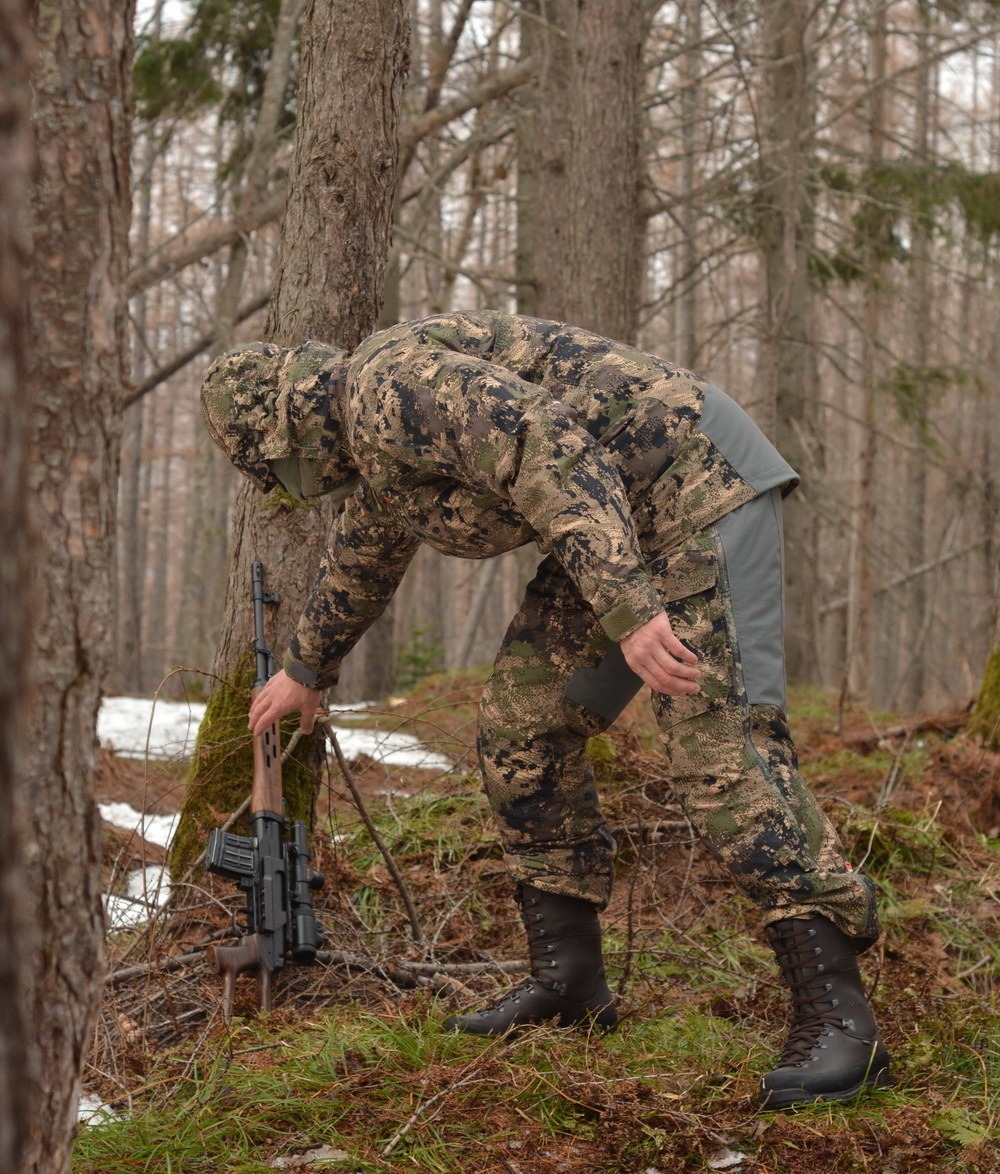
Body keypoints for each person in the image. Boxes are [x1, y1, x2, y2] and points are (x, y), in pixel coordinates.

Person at [201, 309, 890, 1111]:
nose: (295, 489)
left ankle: (841, 1018)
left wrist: (632, 612)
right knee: (522, 729)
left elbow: (547, 444)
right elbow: (368, 549)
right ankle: (569, 983)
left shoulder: (392, 383)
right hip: (612, 528)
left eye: (280, 475)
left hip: (697, 490)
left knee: (719, 749)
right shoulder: (377, 439)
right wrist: (306, 667)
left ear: (285, 431)